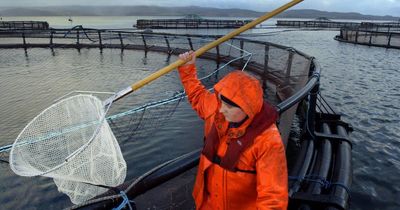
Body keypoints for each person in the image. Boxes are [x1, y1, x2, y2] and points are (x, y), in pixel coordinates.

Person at [178, 51, 288, 210]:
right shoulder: (217, 110)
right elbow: (197, 95)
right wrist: (187, 68)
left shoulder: (268, 141)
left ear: (247, 108)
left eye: (229, 106)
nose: (221, 110)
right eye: (221, 102)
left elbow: (273, 199)